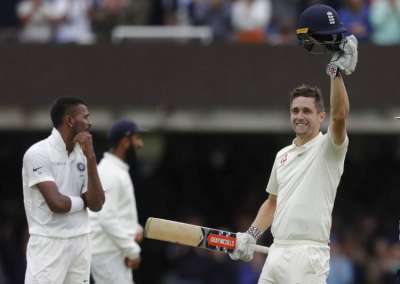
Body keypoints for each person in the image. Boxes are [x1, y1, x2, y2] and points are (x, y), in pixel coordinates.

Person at [229, 35, 358, 284]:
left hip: (309, 254)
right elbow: (272, 203)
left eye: (307, 111)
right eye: (295, 110)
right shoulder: (282, 155)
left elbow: (340, 116)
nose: (300, 116)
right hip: (277, 251)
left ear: (321, 116)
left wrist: (335, 73)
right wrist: (252, 235)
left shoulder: (328, 148)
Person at [22, 97, 105, 283]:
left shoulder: (84, 154)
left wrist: (91, 158)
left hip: (81, 240)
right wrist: (83, 202)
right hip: (49, 242)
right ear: (69, 120)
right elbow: (57, 203)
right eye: (85, 117)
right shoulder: (38, 153)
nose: (89, 122)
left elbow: (97, 204)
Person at [89, 119, 144, 284]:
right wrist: (132, 250)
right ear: (124, 142)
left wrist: (133, 228)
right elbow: (106, 217)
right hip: (108, 253)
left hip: (114, 251)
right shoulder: (109, 172)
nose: (140, 144)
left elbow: (117, 212)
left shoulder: (116, 170)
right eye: (136, 139)